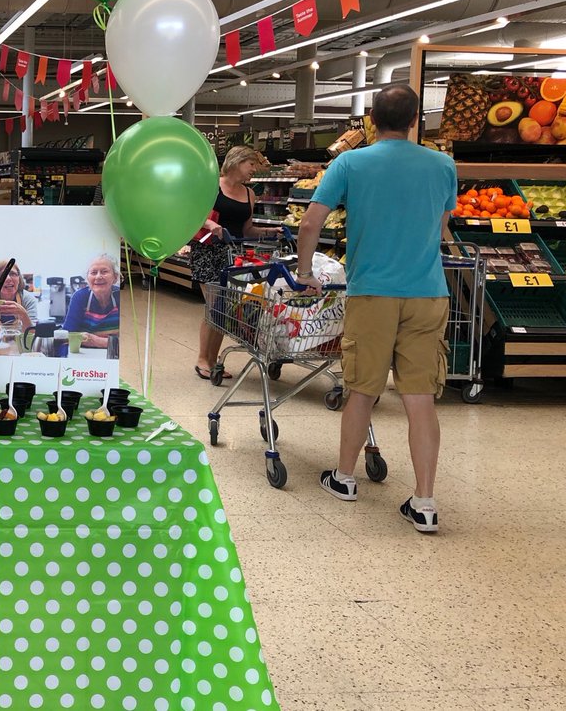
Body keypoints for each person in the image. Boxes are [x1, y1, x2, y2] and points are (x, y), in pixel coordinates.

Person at [296, 84, 456, 534]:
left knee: (362, 389)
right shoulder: (443, 165)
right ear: (415, 120)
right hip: (428, 292)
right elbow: (441, 225)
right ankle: (424, 503)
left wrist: (306, 270)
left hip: (372, 293)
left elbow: (311, 221)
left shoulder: (350, 162)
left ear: (370, 117)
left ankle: (344, 478)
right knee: (420, 398)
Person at [192, 145, 284, 379]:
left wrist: (268, 231)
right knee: (215, 306)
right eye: (251, 164)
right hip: (209, 251)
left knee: (225, 310)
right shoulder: (212, 186)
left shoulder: (249, 194)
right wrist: (212, 226)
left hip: (235, 256)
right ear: (236, 162)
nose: (254, 169)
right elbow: (194, 215)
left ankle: (214, 361)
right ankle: (203, 358)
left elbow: (247, 229)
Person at [62, 253, 120, 349]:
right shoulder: (80, 297)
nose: (98, 277)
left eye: (104, 271)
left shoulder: (120, 296)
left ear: (115, 277)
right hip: (85, 358)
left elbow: (130, 343)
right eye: (93, 273)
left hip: (114, 357)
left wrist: (97, 341)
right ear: (87, 279)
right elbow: (67, 336)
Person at [0, 259, 37, 331]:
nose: (8, 278)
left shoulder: (27, 299)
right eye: (1, 275)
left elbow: (32, 334)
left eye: (13, 274)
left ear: (19, 278)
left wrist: (23, 315)